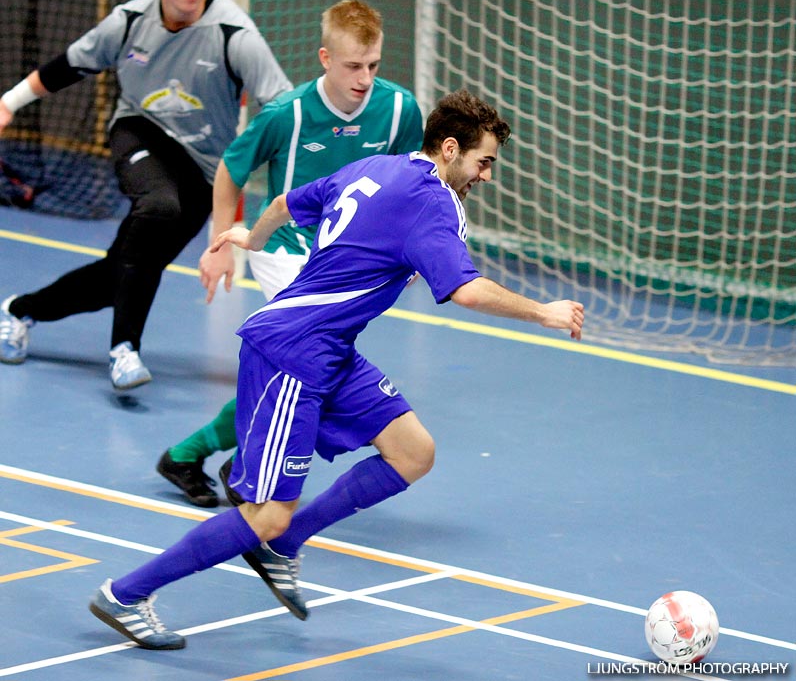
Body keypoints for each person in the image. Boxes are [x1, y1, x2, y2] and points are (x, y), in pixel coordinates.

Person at [88, 89, 585, 650]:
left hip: (331, 347)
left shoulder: (377, 167)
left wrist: (248, 238)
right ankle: (127, 594)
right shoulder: (432, 201)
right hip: (294, 352)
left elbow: (281, 206)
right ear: (450, 149)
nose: (486, 175)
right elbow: (466, 291)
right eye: (484, 161)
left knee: (413, 451)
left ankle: (285, 546)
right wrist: (543, 310)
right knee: (267, 513)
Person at [156, 0, 423, 506]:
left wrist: (406, 249)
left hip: (350, 264)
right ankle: (241, 462)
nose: (363, 78)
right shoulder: (288, 113)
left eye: (372, 66)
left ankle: (198, 456)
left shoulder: (400, 110)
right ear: (324, 58)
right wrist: (220, 245)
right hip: (287, 252)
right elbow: (232, 170)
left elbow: (412, 180)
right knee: (316, 365)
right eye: (352, 66)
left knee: (302, 374)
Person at [0, 0, 291, 390]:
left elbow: (284, 110)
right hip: (139, 131)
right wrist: (8, 103)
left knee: (118, 276)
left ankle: (17, 310)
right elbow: (70, 64)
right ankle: (124, 349)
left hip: (205, 170)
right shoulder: (130, 21)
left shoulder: (235, 35)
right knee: (158, 206)